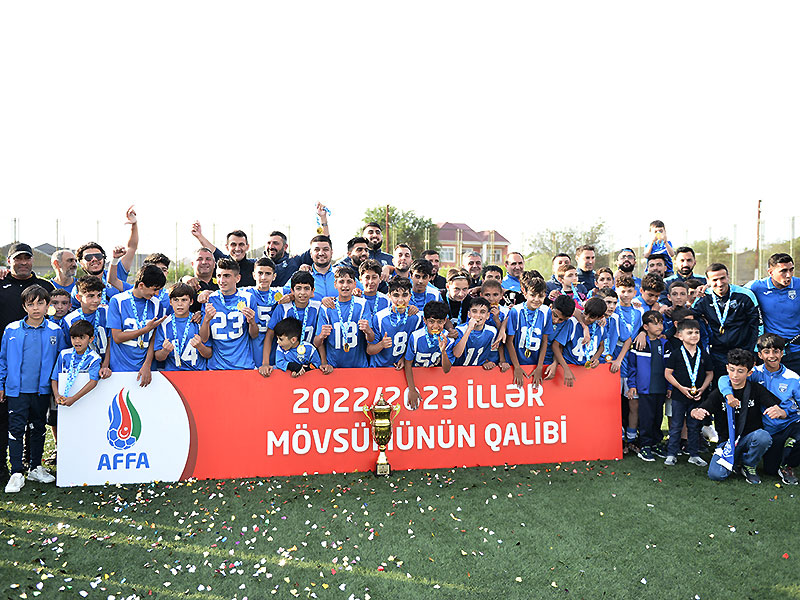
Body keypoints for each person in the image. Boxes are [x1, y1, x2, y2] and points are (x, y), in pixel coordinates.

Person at [0, 285, 66, 492]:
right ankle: (16, 472)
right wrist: (1, 383)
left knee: (38, 428)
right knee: (16, 429)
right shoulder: (11, 330)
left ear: (47, 306)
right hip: (17, 390)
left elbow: (62, 361)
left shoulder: (56, 331)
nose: (36, 308)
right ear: (24, 306)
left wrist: (57, 388)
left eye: (40, 303)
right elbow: (3, 359)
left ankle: (35, 467)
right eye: (31, 304)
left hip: (42, 390)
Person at [717, 334, 800, 485]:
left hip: (788, 424)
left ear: (782, 353)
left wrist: (785, 412)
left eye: (776, 351)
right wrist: (728, 395)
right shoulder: (754, 373)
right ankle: (751, 460)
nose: (772, 356)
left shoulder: (793, 378)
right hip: (766, 430)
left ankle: (788, 465)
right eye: (767, 352)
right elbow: (724, 379)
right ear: (760, 355)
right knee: (770, 470)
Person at [692, 348, 784, 484]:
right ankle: (736, 462)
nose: (735, 375)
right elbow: (698, 410)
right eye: (732, 369)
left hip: (749, 439)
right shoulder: (719, 392)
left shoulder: (756, 389)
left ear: (749, 372)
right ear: (727, 368)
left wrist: (780, 412)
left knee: (763, 436)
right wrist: (696, 412)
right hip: (727, 443)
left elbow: (779, 410)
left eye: (740, 371)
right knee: (716, 475)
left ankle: (749, 465)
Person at [693, 263, 760, 379]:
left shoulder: (745, 295)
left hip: (743, 351)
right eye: (715, 280)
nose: (719, 283)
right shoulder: (704, 297)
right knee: (720, 385)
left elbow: (757, 324)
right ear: (707, 281)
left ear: (728, 277)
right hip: (717, 353)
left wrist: (753, 351)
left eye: (722, 278)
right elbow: (690, 316)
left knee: (743, 386)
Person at [663, 319, 714, 467]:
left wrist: (702, 389)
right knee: (676, 425)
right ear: (680, 335)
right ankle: (672, 453)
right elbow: (668, 374)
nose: (694, 335)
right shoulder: (676, 354)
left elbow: (710, 373)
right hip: (679, 396)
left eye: (697, 332)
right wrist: (680, 388)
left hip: (697, 396)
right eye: (689, 332)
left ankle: (694, 454)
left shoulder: (703, 354)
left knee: (694, 426)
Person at [107, 264, 167, 383]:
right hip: (120, 368)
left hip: (145, 369)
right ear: (141, 285)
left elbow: (153, 339)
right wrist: (144, 330)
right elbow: (117, 337)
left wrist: (147, 365)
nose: (156, 293)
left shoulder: (156, 304)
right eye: (154, 289)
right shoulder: (117, 301)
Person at [73, 206, 140, 307]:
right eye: (88, 257)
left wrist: (134, 225)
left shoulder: (116, 273)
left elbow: (132, 248)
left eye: (98, 256)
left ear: (104, 259)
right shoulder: (78, 287)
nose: (94, 259)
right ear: (81, 263)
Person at [200, 259, 259, 371]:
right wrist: (206, 319)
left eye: (227, 276)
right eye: (219, 276)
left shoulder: (248, 298)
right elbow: (203, 338)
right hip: (216, 367)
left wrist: (252, 322)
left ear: (238, 278)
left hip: (243, 366)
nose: (222, 280)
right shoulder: (209, 299)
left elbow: (254, 335)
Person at [626, 310, 670, 462]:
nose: (660, 326)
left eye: (661, 323)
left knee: (658, 417)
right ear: (645, 327)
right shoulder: (639, 344)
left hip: (661, 388)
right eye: (655, 324)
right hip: (645, 389)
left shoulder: (665, 344)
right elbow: (632, 367)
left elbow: (669, 367)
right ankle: (644, 446)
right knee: (646, 418)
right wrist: (632, 385)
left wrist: (669, 387)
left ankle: (656, 443)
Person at [746, 253, 800, 375]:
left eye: (791, 270)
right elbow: (733, 291)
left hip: (796, 350)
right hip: (770, 351)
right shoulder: (757, 287)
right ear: (770, 272)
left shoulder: (798, 284)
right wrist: (706, 287)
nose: (789, 275)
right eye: (783, 271)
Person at [260, 271, 321, 377]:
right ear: (292, 291)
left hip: (309, 360)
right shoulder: (282, 308)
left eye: (306, 288)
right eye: (298, 288)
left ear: (312, 291)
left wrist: (323, 361)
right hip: (286, 361)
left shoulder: (318, 307)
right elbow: (270, 334)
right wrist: (265, 363)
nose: (302, 292)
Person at [314, 266, 374, 369]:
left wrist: (368, 331)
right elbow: (316, 342)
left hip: (359, 366)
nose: (345, 285)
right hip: (334, 367)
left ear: (354, 284)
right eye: (341, 281)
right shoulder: (327, 307)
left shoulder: (362, 304)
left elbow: (371, 339)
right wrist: (321, 336)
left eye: (349, 282)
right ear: (335, 284)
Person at [404, 301, 454, 409]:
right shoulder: (416, 337)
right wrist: (412, 389)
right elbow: (407, 363)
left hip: (434, 380)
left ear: (445, 321)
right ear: (425, 320)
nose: (435, 326)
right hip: (415, 377)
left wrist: (443, 351)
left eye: (440, 322)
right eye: (431, 321)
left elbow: (446, 369)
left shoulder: (448, 339)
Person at [505, 273, 552, 386]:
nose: (536, 299)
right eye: (533, 295)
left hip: (535, 363)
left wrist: (539, 366)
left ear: (545, 295)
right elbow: (509, 341)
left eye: (540, 296)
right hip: (516, 363)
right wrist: (516, 367)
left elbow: (545, 341)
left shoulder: (546, 311)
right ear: (525, 293)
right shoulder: (516, 311)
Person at [0, 243, 56, 339]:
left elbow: (54, 314)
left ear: (32, 260)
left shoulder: (46, 286)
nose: (23, 262)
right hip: (5, 343)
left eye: (27, 258)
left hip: (39, 343)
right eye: (18, 259)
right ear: (9, 261)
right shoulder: (1, 283)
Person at [615, 274, 645, 450]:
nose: (625, 295)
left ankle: (631, 439)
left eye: (629, 291)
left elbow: (644, 327)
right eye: (622, 291)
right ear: (616, 291)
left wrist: (642, 332)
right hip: (616, 361)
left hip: (633, 363)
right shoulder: (612, 309)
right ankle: (617, 439)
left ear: (635, 293)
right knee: (615, 404)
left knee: (634, 403)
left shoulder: (639, 311)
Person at [154, 283, 212, 371]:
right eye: (176, 300)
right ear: (170, 302)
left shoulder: (198, 321)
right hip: (173, 374)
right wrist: (165, 351)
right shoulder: (164, 324)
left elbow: (209, 354)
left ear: (191, 302)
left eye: (184, 300)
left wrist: (200, 346)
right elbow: (158, 357)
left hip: (197, 373)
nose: (180, 304)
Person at [368, 278, 423, 369]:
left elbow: (416, 345)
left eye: (404, 295)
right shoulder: (380, 317)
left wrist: (404, 358)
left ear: (410, 296)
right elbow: (369, 350)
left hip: (402, 369)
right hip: (379, 367)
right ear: (389, 296)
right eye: (396, 295)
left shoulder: (417, 318)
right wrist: (381, 344)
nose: (400, 300)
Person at [63, 276, 112, 377]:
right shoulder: (70, 320)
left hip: (107, 366)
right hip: (83, 368)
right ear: (79, 298)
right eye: (91, 296)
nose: (96, 300)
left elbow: (111, 341)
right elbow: (70, 347)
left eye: (99, 295)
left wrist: (105, 365)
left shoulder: (107, 312)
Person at [241, 257, 281, 368]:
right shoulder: (245, 292)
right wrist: (207, 292)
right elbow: (226, 292)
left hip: (273, 343)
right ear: (254, 275)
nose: (263, 277)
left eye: (268, 274)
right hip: (253, 343)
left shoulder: (280, 293)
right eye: (260, 273)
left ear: (274, 276)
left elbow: (298, 292)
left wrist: (291, 297)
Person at [451, 297, 498, 368]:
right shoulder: (460, 329)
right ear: (469, 314)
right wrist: (469, 329)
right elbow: (457, 354)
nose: (478, 315)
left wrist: (486, 361)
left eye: (482, 312)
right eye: (474, 311)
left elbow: (491, 353)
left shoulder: (492, 331)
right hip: (458, 369)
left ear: (488, 315)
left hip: (477, 370)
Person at [542, 295, 578, 386]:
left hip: (548, 362)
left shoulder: (567, 323)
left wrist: (555, 363)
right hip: (530, 360)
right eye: (555, 315)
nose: (556, 320)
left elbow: (559, 346)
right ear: (550, 307)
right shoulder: (541, 315)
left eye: (561, 319)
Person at [480, 279, 511, 372]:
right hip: (481, 354)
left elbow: (504, 336)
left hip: (499, 353)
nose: (491, 299)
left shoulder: (506, 312)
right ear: (481, 295)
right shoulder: (477, 311)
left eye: (495, 295)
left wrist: (497, 319)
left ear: (501, 295)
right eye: (487, 295)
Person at [182, 247, 219, 312]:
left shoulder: (222, 283)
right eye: (200, 259)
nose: (204, 262)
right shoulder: (186, 285)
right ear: (192, 264)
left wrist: (212, 294)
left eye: (208, 259)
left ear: (214, 264)